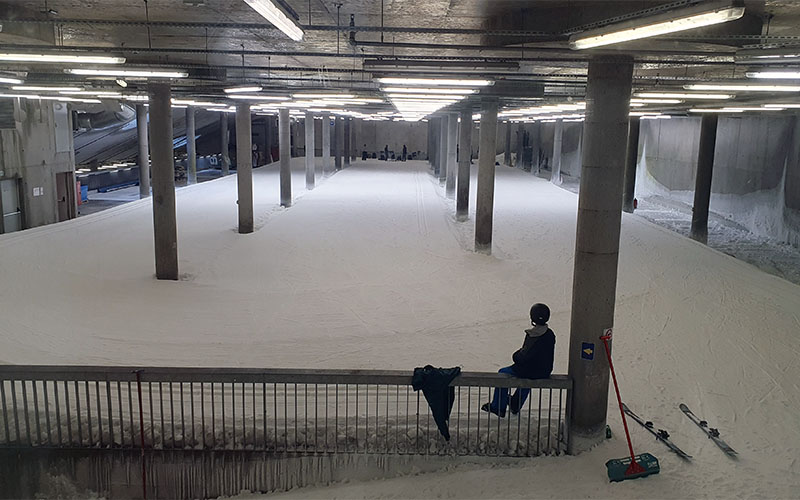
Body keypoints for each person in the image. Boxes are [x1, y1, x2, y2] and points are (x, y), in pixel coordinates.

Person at [482, 303, 555, 417]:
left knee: (503, 373)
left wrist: (515, 355)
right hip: (544, 371)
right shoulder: (550, 334)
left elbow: (524, 357)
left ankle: (498, 406)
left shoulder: (533, 335)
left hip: (530, 370)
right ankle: (516, 403)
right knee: (528, 378)